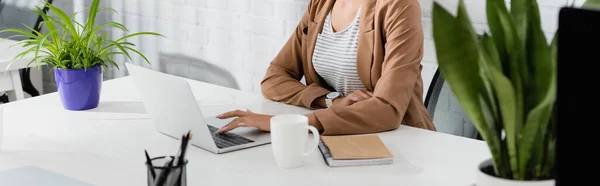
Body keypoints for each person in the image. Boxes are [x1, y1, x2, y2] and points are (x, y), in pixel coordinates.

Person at [216, 0, 436, 135]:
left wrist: (292, 123)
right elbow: (274, 79)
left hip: (400, 139)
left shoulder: (399, 6)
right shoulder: (321, 4)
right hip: (337, 135)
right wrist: (331, 99)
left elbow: (388, 110)